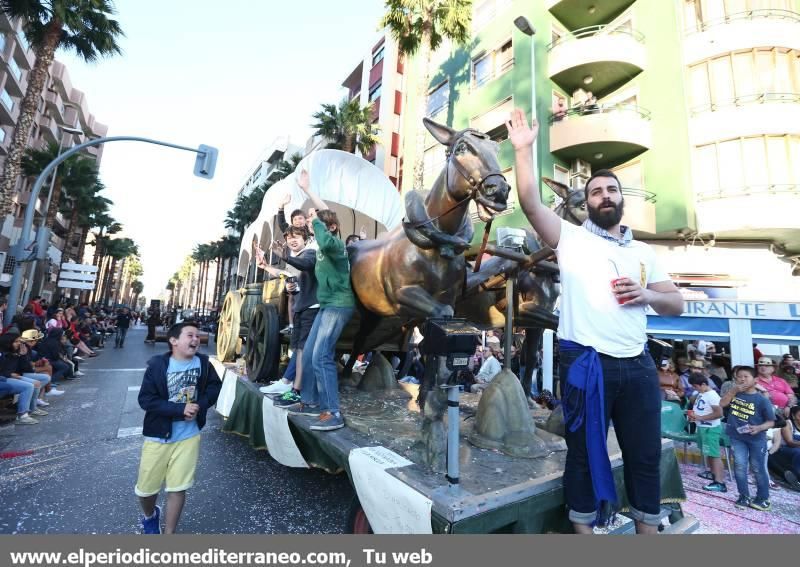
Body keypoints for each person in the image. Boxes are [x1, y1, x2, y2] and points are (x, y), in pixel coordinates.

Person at [507, 108, 684, 534]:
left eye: (611, 190)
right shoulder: (572, 238)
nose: (604, 195)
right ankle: (585, 532)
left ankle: (646, 530)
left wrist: (646, 294)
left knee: (643, 454)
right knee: (584, 453)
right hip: (587, 363)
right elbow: (530, 202)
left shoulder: (644, 253)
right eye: (596, 191)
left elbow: (676, 303)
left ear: (621, 199)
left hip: (638, 366)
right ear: (586, 203)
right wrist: (524, 150)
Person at [135, 322, 222, 534]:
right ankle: (150, 515)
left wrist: (200, 405)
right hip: (158, 435)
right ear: (174, 341)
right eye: (190, 335)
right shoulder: (157, 366)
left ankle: (169, 535)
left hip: (188, 435)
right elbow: (146, 400)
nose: (196, 339)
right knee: (145, 491)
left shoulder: (203, 363)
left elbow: (214, 386)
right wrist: (179, 409)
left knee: (178, 487)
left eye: (197, 336)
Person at [286, 170, 354, 432]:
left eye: (315, 222)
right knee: (312, 354)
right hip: (328, 305)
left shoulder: (334, 244)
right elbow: (321, 225)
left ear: (332, 228)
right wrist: (307, 190)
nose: (311, 223)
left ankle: (333, 411)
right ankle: (312, 401)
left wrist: (316, 215)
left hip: (339, 305)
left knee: (322, 355)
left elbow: (326, 224)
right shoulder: (322, 245)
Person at [267, 226, 319, 408]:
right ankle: (295, 389)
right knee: (298, 349)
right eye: (289, 237)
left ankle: (297, 391)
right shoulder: (297, 258)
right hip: (300, 308)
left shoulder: (310, 252)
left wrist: (285, 256)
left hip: (311, 309)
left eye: (296, 236)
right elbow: (298, 282)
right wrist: (292, 287)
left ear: (305, 239)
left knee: (303, 350)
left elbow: (307, 265)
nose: (292, 239)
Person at [720, 365, 775, 511]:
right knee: (739, 466)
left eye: (746, 376)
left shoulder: (761, 399)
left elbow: (771, 421)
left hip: (757, 439)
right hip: (737, 437)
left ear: (755, 380)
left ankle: (763, 498)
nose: (742, 379)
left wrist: (758, 428)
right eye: (739, 376)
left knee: (757, 468)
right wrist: (733, 390)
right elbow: (722, 404)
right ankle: (743, 496)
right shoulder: (735, 393)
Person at [688, 374, 726, 492]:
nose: (695, 389)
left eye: (696, 386)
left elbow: (719, 413)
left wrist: (700, 417)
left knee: (714, 455)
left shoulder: (712, 396)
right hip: (703, 427)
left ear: (703, 384)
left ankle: (719, 482)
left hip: (710, 429)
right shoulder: (702, 393)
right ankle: (712, 473)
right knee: (708, 452)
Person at [769, 405, 800, 490]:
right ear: (793, 416)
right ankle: (797, 476)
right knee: (798, 453)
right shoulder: (787, 423)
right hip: (784, 449)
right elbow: (790, 442)